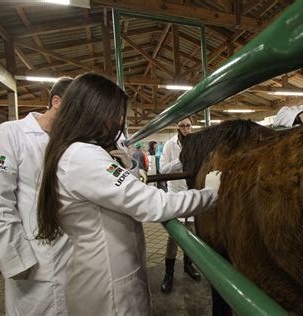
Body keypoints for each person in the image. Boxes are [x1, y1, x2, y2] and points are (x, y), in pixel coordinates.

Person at [35, 73, 221, 315]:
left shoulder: (77, 151)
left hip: (105, 273)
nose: (119, 121)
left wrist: (128, 169)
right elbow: (151, 203)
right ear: (94, 112)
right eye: (115, 113)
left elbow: (119, 194)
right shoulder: (83, 156)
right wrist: (209, 194)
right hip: (109, 288)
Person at [0, 77, 73, 315]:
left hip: (70, 256)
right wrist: (15, 258)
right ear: (56, 102)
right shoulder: (11, 134)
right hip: (33, 259)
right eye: (78, 109)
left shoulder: (71, 142)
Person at [159, 117, 201, 293]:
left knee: (190, 234)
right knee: (174, 237)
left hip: (191, 194)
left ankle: (188, 265)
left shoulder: (196, 144)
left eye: (189, 126)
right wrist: (181, 160)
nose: (186, 129)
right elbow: (163, 170)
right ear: (177, 127)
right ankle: (169, 273)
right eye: (182, 126)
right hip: (175, 196)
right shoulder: (170, 145)